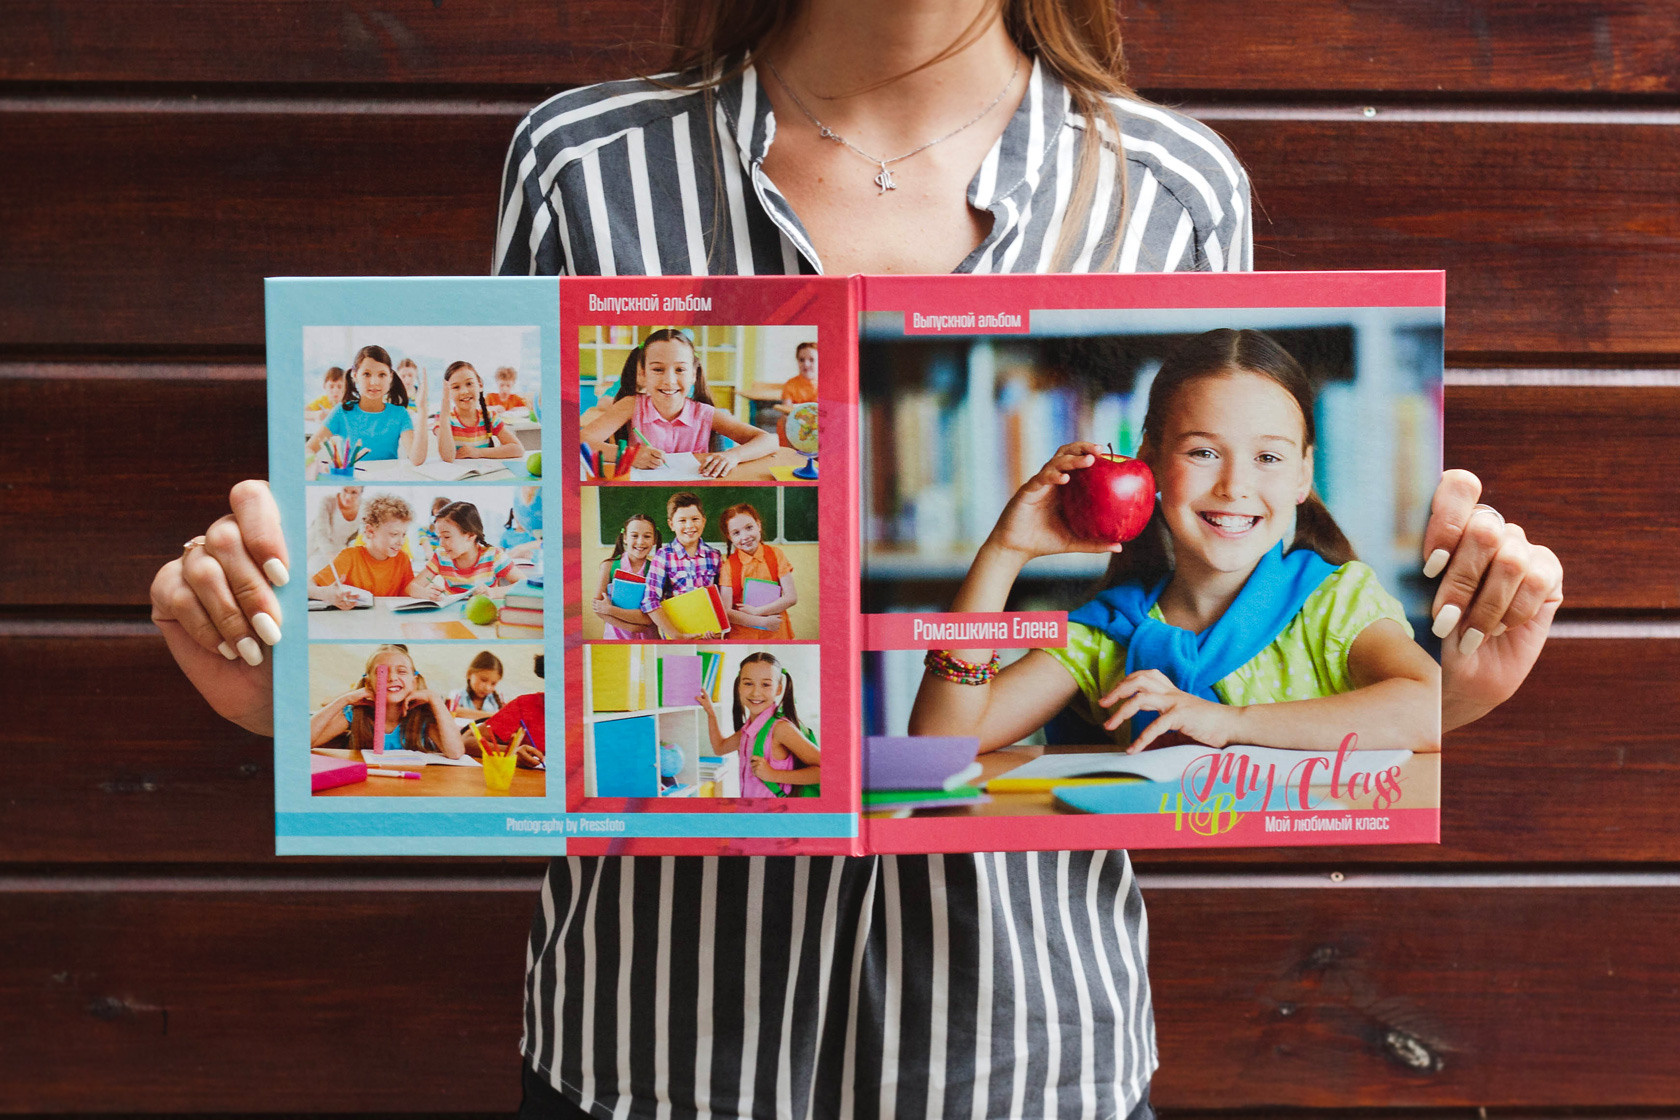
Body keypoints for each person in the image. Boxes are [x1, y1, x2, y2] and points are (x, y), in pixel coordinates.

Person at [151, 0, 1563, 1115]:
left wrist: (1460, 692)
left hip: (1031, 1068)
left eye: (1255, 462)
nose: (1230, 485)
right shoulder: (585, 164)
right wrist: (274, 683)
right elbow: (516, 618)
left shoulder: (1175, 188)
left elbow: (1181, 768)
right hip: (652, 1055)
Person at [911, 328, 1439, 757]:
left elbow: (1429, 709)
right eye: (1203, 453)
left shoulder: (1336, 604)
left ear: (1303, 474)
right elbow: (943, 741)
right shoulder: (1108, 635)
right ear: (1150, 461)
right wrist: (1005, 552)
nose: (1234, 486)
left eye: (1268, 458)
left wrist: (1229, 722)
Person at [579, 328, 779, 479]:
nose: (669, 380)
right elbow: (581, 441)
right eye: (658, 369)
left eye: (680, 370)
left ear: (693, 374)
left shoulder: (705, 414)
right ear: (642, 374)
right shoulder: (630, 405)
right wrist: (631, 456)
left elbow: (769, 440)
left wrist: (733, 456)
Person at [698, 651, 821, 797]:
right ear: (739, 687)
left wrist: (773, 775)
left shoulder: (781, 729)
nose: (756, 693)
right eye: (748, 683)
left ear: (779, 689)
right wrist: (710, 712)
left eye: (766, 685)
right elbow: (720, 748)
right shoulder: (749, 729)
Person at [309, 644, 464, 758]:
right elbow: (305, 741)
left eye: (402, 671)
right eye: (381, 672)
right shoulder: (355, 714)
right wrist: (345, 699)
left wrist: (434, 699)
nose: (391, 678)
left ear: (414, 682)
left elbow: (455, 752)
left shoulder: (422, 716)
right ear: (369, 683)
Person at [304, 344, 428, 467]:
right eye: (367, 374)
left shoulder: (400, 414)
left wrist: (422, 410)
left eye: (382, 375)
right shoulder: (342, 412)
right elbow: (308, 448)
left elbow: (416, 459)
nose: (374, 382)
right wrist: (322, 467)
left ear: (390, 377)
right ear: (355, 376)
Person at [307, 493, 415, 610]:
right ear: (370, 531)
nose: (401, 541)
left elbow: (409, 594)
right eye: (394, 534)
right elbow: (308, 586)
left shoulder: (402, 559)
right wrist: (324, 593)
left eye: (404, 534)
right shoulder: (350, 557)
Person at [642, 491, 725, 639]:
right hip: (676, 635)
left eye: (695, 519)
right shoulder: (663, 556)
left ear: (704, 521)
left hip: (708, 634)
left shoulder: (715, 556)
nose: (689, 525)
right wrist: (675, 634)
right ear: (671, 524)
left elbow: (722, 599)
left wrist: (720, 630)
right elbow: (650, 600)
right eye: (682, 520)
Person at [718, 502, 798, 640]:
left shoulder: (776, 555)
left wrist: (757, 611)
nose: (745, 537)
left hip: (776, 633)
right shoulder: (728, 566)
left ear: (758, 526)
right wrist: (762, 621)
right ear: (730, 537)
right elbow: (726, 612)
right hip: (743, 636)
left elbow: (791, 597)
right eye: (736, 533)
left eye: (749, 528)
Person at [405, 500, 517, 599]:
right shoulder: (441, 557)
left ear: (470, 535)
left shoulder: (494, 555)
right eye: (439, 537)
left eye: (447, 537)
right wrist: (425, 593)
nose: (441, 544)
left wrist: (494, 592)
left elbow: (523, 584)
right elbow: (411, 587)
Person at [437, 360, 526, 461]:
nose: (464, 391)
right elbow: (447, 457)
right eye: (456, 387)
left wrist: (477, 452)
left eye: (469, 383)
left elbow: (518, 449)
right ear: (448, 391)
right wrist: (444, 408)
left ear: (480, 386)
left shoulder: (490, 416)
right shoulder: (443, 419)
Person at [592, 512, 662, 639]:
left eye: (647, 536)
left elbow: (649, 619)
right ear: (625, 537)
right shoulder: (608, 567)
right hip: (615, 639)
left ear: (654, 540)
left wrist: (610, 610)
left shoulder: (656, 570)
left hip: (648, 639)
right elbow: (598, 607)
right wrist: (633, 627)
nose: (640, 542)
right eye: (634, 535)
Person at [306, 485, 363, 576]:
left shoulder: (364, 508)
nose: (348, 497)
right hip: (315, 544)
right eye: (345, 490)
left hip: (338, 550)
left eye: (354, 493)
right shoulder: (328, 501)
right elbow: (321, 532)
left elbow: (359, 537)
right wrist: (331, 555)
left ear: (361, 492)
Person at [774, 340, 819, 445]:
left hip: (818, 424)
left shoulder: (826, 384)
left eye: (812, 360)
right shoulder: (791, 384)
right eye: (801, 360)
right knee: (784, 419)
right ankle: (791, 453)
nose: (806, 364)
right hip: (796, 423)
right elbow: (786, 409)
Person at [448, 649, 506, 722]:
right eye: (483, 680)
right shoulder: (456, 694)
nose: (487, 688)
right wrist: (494, 716)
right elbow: (454, 711)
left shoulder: (496, 701)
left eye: (493, 683)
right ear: (469, 674)